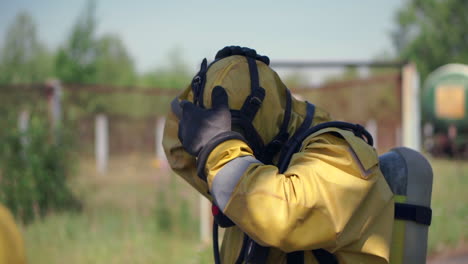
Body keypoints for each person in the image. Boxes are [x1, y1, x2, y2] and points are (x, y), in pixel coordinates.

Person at [163, 46, 394, 264]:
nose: (233, 145)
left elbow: (283, 218)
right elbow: (178, 147)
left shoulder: (341, 155)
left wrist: (217, 145)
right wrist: (208, 82)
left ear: (261, 113)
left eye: (234, 132)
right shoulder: (249, 167)